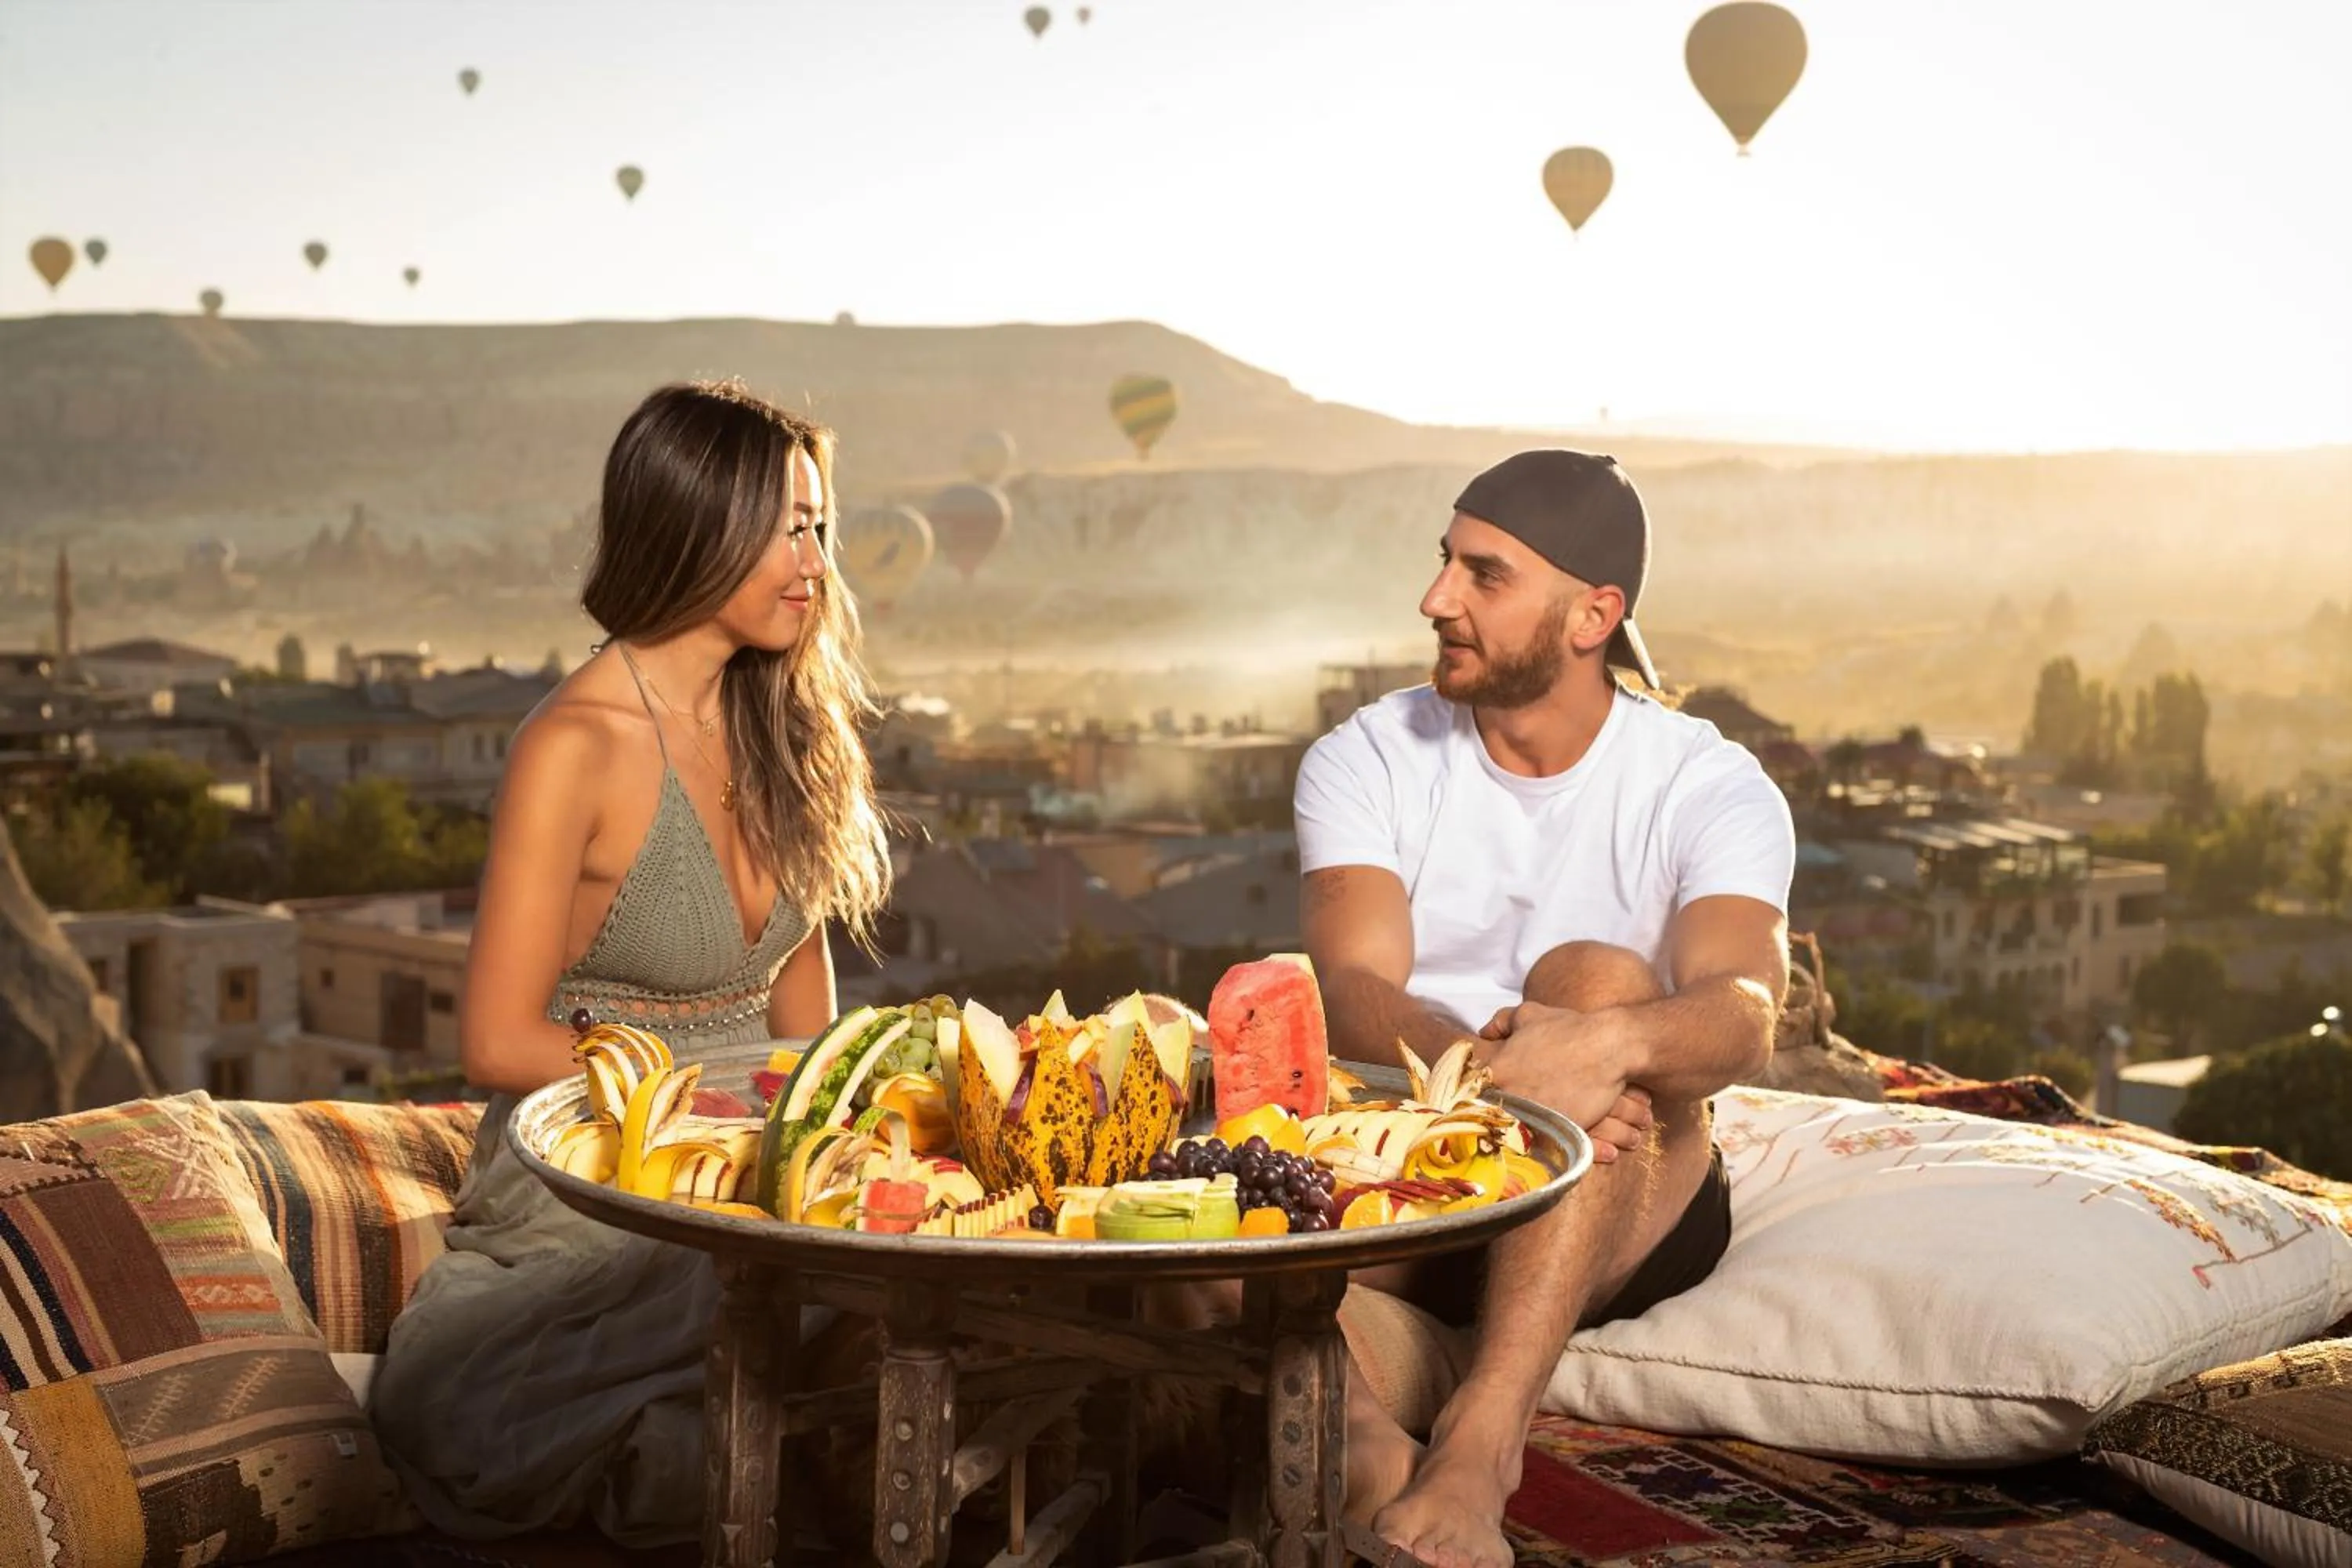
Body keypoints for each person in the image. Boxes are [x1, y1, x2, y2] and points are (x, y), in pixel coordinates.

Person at [371, 380, 891, 1545]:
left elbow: (804, 1038)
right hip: (597, 1165)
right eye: (788, 527)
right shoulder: (572, 746)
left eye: (822, 526)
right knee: (489, 1396)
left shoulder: (797, 736)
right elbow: (497, 1040)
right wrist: (712, 1113)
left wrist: (847, 1124)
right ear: (692, 525)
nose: (818, 561)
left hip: (764, 1156)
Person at [1294, 450, 1795, 1568]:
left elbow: (1747, 1009)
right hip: (1420, 1162)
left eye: (1484, 576)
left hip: (1629, 1178)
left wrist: (1602, 1048)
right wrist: (1499, 1084)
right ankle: (1368, 1455)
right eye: (1443, 566)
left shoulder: (1707, 783)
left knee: (1599, 977)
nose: (1436, 601)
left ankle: (1482, 1445)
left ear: (1592, 615)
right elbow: (1354, 991)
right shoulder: (1364, 757)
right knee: (1179, 1214)